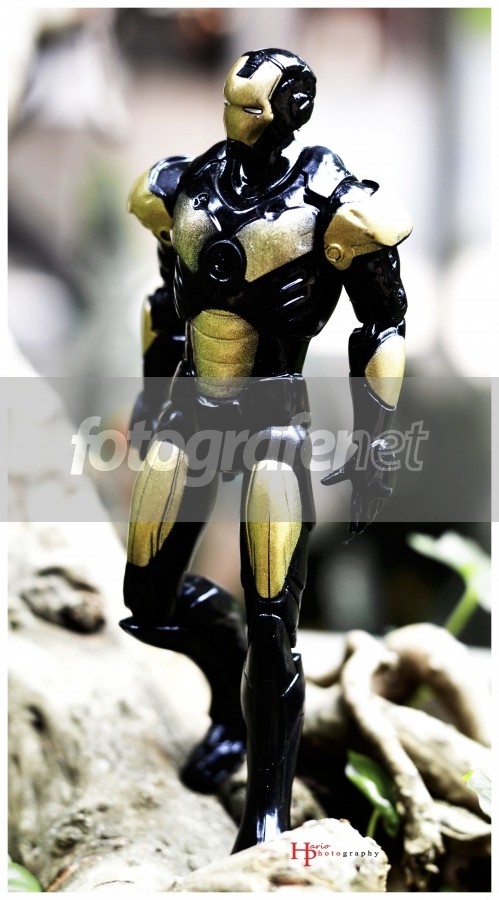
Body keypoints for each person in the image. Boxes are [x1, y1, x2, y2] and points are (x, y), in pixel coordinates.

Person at [120, 47, 412, 853]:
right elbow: (165, 301)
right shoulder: (180, 188)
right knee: (148, 601)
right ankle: (230, 702)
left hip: (276, 427)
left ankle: (266, 815)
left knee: (275, 621)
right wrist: (149, 396)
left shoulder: (335, 207)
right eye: (232, 100)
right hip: (189, 410)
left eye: (252, 105)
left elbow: (381, 327)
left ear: (293, 110)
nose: (236, 116)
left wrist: (375, 444)